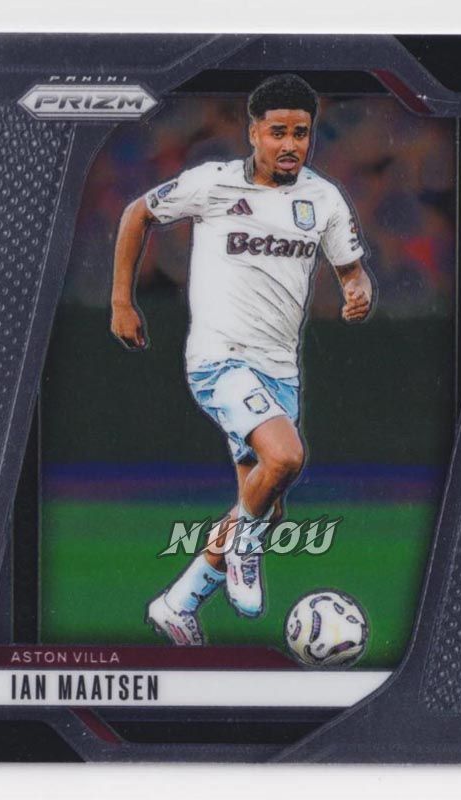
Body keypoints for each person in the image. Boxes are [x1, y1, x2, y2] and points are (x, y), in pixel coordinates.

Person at [110, 74, 374, 645]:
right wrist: (121, 302)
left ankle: (178, 603)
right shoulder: (212, 183)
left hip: (280, 368)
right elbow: (137, 214)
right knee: (285, 456)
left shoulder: (324, 199)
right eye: (277, 132)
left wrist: (358, 291)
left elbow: (351, 270)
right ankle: (244, 549)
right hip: (220, 359)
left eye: (300, 133)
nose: (290, 144)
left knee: (264, 503)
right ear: (253, 132)